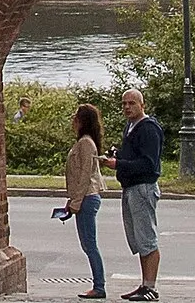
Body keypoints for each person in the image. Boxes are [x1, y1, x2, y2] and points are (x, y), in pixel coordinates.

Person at [104, 87, 163, 302]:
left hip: (143, 187)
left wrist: (119, 164)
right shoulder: (131, 127)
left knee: (147, 238)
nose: (127, 107)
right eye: (124, 104)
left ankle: (151, 287)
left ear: (142, 105)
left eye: (132, 103)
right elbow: (133, 156)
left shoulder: (148, 128)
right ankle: (144, 284)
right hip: (130, 187)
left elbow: (148, 164)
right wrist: (118, 155)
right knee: (138, 239)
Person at [64, 103, 108, 299]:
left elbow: (84, 176)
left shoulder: (85, 144)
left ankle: (99, 286)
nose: (73, 120)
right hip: (85, 197)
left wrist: (76, 202)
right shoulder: (85, 142)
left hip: (87, 197)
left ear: (82, 121)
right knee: (87, 244)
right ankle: (98, 284)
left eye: (76, 116)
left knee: (90, 244)